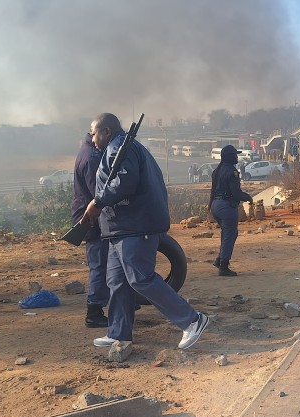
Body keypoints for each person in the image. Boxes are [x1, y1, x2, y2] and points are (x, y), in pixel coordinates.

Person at [83, 113, 210, 350]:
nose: (91, 139)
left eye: (93, 133)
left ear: (106, 131)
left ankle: (192, 320)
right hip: (119, 228)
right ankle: (119, 333)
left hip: (134, 226)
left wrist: (98, 202)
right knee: (117, 282)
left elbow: (124, 182)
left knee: (141, 278)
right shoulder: (119, 147)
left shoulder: (120, 147)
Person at [71, 132, 109, 328]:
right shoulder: (92, 158)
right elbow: (100, 193)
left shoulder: (87, 152)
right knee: (99, 265)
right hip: (92, 218)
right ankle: (94, 312)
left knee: (102, 263)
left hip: (89, 216)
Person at [209, 145, 254, 277]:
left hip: (215, 206)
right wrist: (248, 198)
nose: (237, 157)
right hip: (226, 207)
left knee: (227, 234)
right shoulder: (232, 172)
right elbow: (236, 193)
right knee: (229, 235)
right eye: (235, 155)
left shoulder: (217, 170)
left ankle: (219, 259)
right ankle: (223, 266)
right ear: (229, 157)